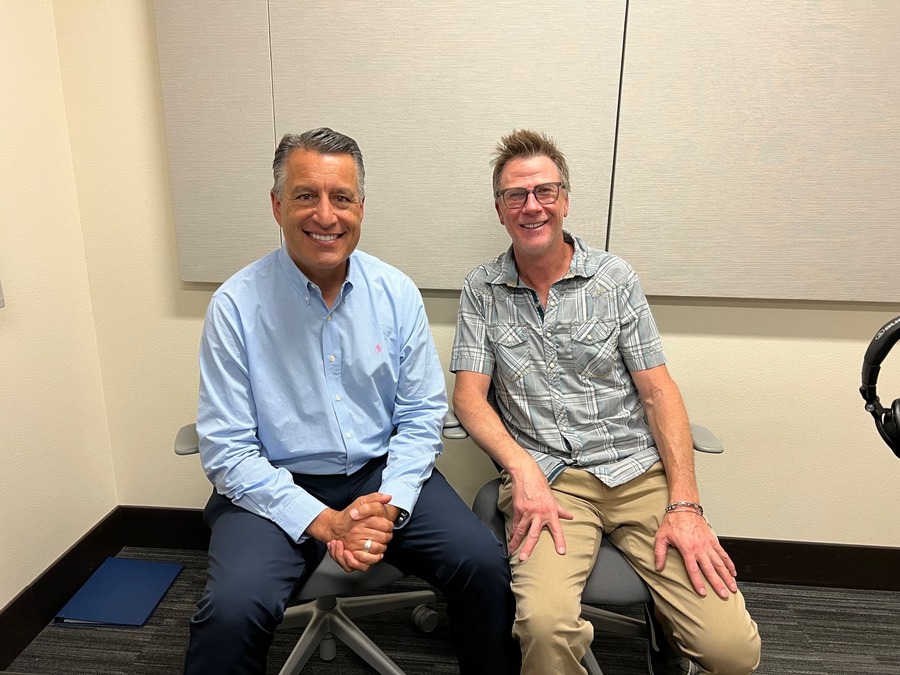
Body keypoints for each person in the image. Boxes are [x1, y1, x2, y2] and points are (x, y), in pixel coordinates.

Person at [184, 127, 518, 674]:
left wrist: (387, 506)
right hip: (273, 485)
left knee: (483, 564)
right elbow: (227, 451)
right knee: (230, 611)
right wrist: (324, 521)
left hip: (380, 475)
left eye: (341, 197)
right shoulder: (235, 306)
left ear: (361, 206)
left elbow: (418, 419)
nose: (325, 214)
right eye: (305, 196)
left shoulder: (397, 293)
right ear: (276, 206)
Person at [450, 129, 761, 675]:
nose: (532, 206)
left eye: (544, 191)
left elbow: (658, 390)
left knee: (732, 653)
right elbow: (470, 397)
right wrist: (521, 468)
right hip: (550, 485)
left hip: (638, 475)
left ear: (565, 200)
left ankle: (674, 627)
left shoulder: (614, 279)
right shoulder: (483, 289)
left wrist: (685, 503)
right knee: (545, 630)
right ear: (499, 210)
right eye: (515, 196)